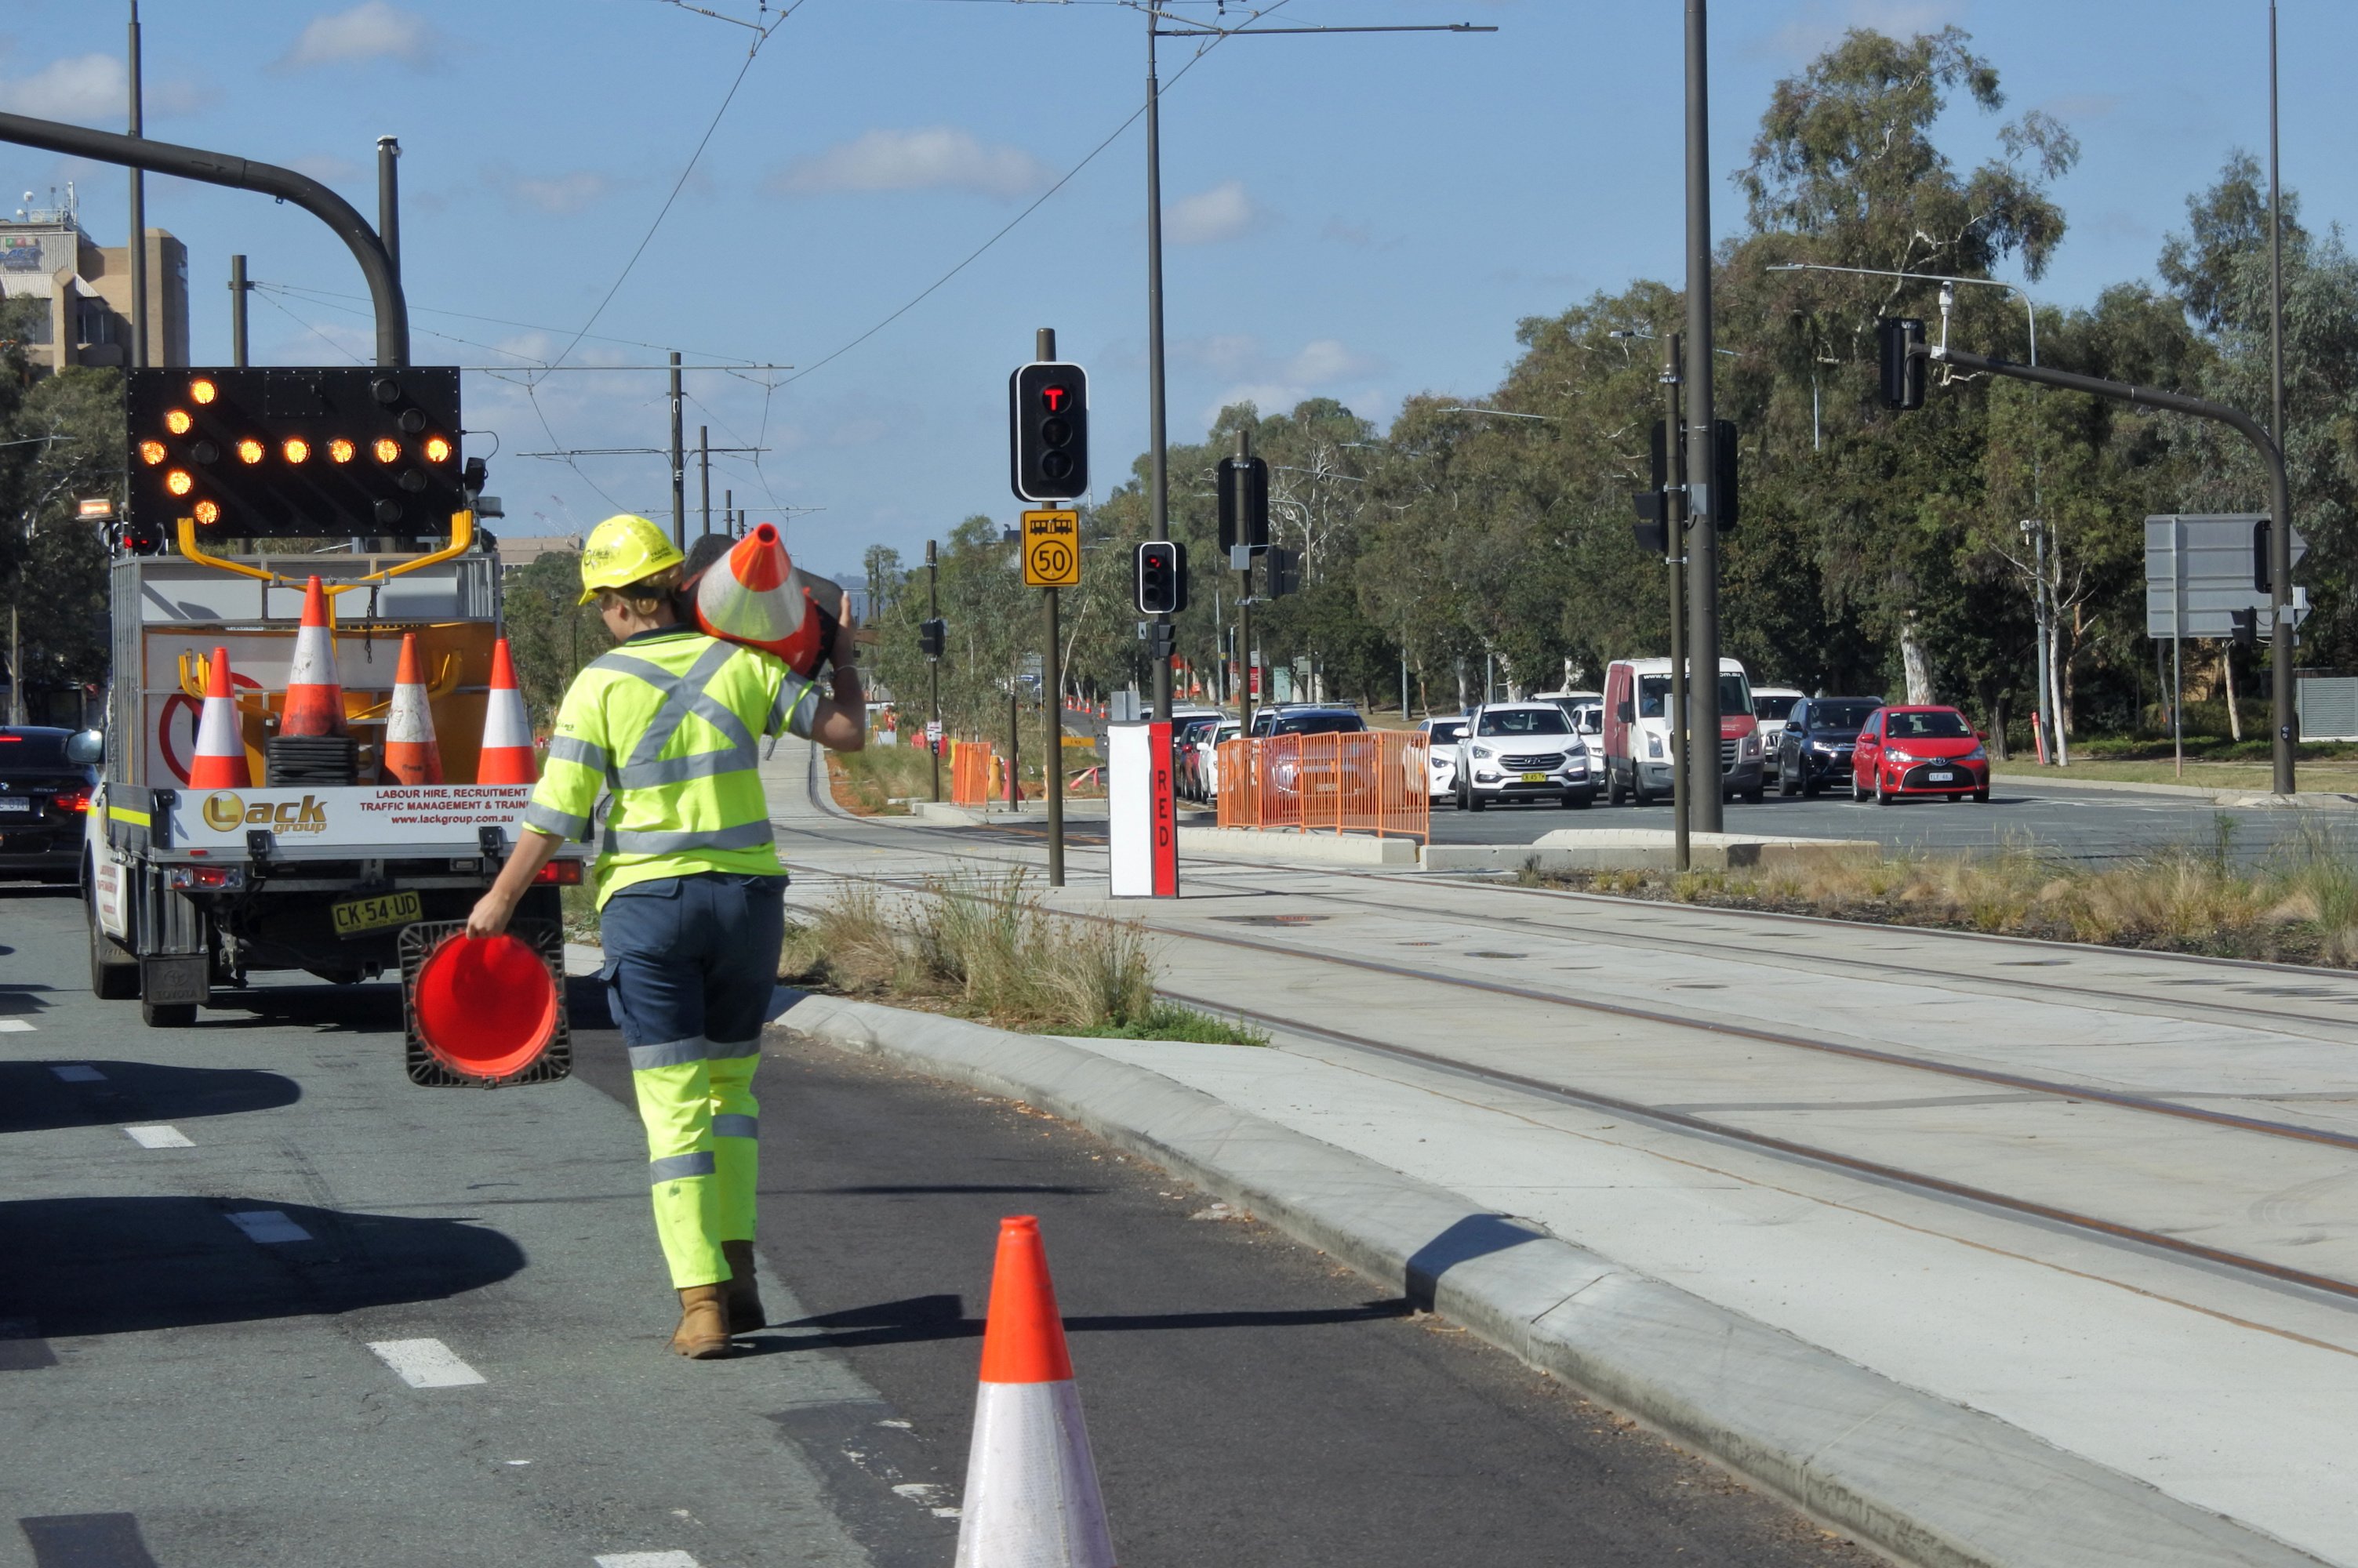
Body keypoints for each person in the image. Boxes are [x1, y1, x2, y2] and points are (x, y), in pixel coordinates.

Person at [467, 512, 866, 1359]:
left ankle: (702, 1306)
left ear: (614, 602)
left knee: (674, 1110)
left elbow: (556, 814)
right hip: (747, 905)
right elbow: (845, 732)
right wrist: (845, 657)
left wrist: (501, 898)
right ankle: (740, 1271)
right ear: (673, 588)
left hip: (649, 912)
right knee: (732, 1098)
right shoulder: (746, 664)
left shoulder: (598, 686)